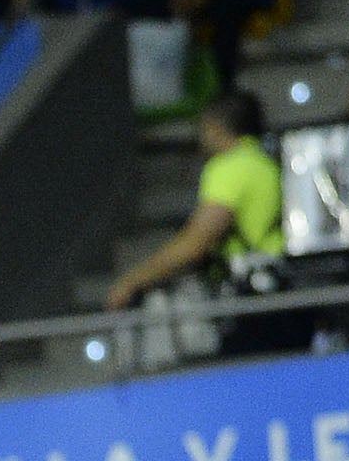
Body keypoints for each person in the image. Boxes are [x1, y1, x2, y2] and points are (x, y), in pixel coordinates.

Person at [105, 91, 282, 326]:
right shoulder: (265, 162)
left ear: (216, 127)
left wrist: (132, 281)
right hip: (277, 283)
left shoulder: (229, 167)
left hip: (252, 298)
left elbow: (196, 243)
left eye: (203, 128)